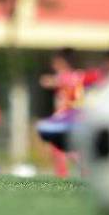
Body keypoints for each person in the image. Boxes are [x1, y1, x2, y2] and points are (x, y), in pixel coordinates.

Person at [39, 48, 86, 178]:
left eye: (56, 62)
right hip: (71, 117)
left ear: (63, 62)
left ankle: (64, 175)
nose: (53, 65)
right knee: (69, 149)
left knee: (64, 148)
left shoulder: (67, 76)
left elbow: (47, 81)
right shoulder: (76, 75)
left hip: (68, 117)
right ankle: (77, 173)